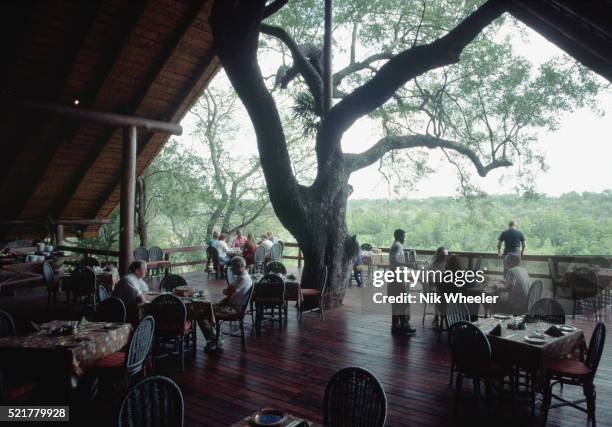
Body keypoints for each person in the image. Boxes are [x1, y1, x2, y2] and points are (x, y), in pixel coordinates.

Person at [198, 256, 253, 353]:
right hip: (234, 306)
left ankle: (214, 338)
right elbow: (229, 291)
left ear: (239, 267)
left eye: (233, 267)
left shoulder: (242, 279)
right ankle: (215, 335)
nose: (232, 269)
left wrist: (226, 291)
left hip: (234, 309)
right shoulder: (244, 276)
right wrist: (227, 291)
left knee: (201, 313)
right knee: (207, 308)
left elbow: (230, 293)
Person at [388, 229, 415, 335]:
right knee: (404, 302)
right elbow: (394, 259)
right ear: (399, 236)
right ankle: (404, 325)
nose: (405, 238)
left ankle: (395, 326)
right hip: (397, 277)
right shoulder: (397, 246)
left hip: (395, 276)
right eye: (404, 236)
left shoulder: (395, 245)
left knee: (396, 302)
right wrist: (407, 264)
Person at [427, 247, 448, 327]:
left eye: (446, 255)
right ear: (438, 255)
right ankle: (437, 317)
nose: (444, 257)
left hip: (442, 287)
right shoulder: (433, 266)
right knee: (441, 295)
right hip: (434, 288)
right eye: (443, 255)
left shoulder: (445, 264)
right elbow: (433, 281)